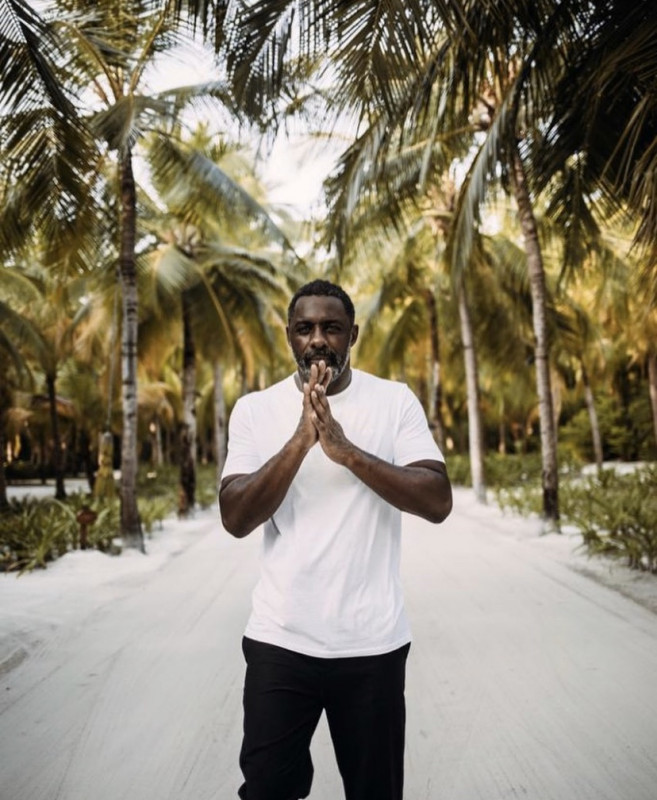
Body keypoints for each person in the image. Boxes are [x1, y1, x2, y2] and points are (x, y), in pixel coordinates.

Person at [219, 279, 453, 800]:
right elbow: (235, 517)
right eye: (305, 329)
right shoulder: (255, 409)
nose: (318, 340)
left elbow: (437, 500)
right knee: (267, 789)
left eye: (332, 328)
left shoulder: (394, 401)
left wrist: (346, 452)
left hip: (372, 644)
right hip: (281, 640)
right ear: (289, 336)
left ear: (353, 335)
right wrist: (302, 438)